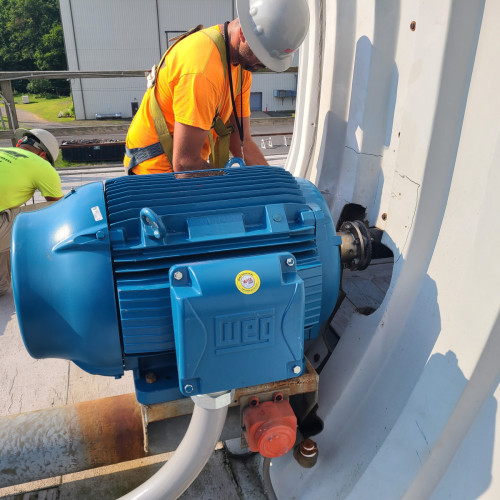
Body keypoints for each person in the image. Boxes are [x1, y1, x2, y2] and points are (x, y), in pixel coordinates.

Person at [124, 0, 310, 175]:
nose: (264, 63)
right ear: (244, 34)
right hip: (153, 172)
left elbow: (242, 144)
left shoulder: (241, 69)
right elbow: (185, 165)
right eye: (262, 54)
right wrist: (226, 183)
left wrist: (274, 183)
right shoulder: (201, 69)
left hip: (187, 164)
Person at [0, 128, 63, 296]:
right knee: (58, 208)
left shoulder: (3, 151)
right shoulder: (40, 164)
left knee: (9, 212)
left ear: (20, 143)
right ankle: (49, 271)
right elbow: (59, 208)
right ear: (43, 155)